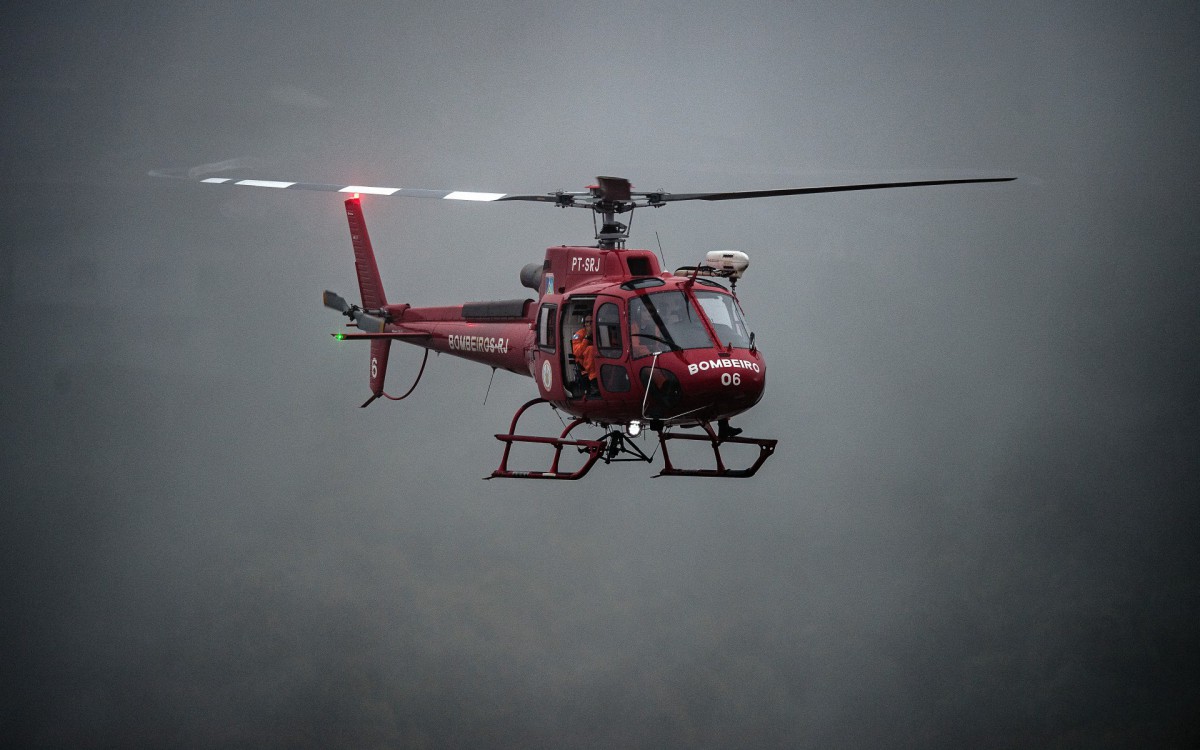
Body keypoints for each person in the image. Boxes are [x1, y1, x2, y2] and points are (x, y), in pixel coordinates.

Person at [571, 313, 600, 396]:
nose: (589, 324)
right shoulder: (579, 335)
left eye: (592, 321)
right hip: (584, 365)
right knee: (590, 349)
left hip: (600, 363)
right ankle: (594, 385)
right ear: (584, 323)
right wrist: (587, 338)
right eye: (587, 322)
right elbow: (577, 352)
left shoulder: (600, 332)